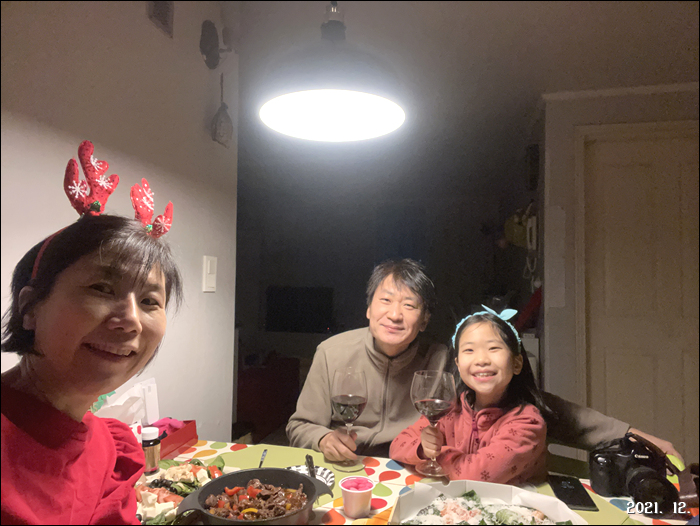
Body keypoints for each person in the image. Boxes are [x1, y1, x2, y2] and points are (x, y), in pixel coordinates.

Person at [286, 258, 685, 465]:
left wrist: (631, 434)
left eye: (409, 305)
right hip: (349, 467)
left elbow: (536, 405)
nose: (394, 314)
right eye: (385, 301)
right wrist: (322, 438)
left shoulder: (446, 360)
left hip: (415, 468)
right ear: (368, 309)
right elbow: (299, 425)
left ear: (424, 319)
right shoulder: (332, 353)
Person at [1, 141, 182, 525]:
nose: (131, 320)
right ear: (30, 308)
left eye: (149, 301)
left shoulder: (107, 448)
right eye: (102, 288)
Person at [390, 308, 548, 483]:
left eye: (493, 348)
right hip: (454, 499)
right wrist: (423, 448)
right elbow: (397, 445)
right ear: (458, 365)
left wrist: (437, 454)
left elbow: (471, 476)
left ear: (516, 363)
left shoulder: (527, 423)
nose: (481, 360)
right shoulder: (451, 409)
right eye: (469, 350)